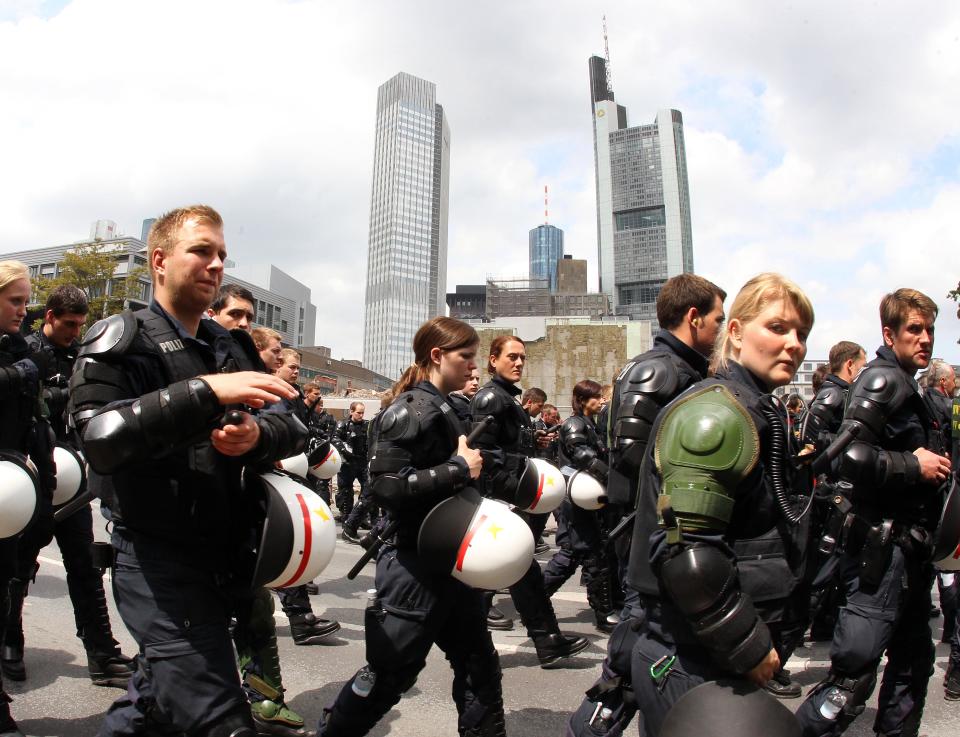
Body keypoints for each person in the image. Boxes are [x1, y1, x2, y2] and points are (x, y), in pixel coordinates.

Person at [69, 205, 307, 737]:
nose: (216, 264)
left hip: (224, 555)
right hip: (155, 561)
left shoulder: (231, 346)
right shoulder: (122, 338)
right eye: (202, 250)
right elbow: (99, 439)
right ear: (159, 259)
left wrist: (255, 436)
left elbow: (293, 425)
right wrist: (204, 392)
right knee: (220, 717)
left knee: (150, 707)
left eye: (222, 254)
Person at [624, 273, 814, 737]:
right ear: (735, 332)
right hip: (693, 653)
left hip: (708, 648)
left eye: (802, 333)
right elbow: (688, 554)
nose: (793, 344)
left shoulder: (753, 406)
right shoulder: (716, 417)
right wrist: (746, 643)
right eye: (777, 327)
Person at [317, 316, 504, 737]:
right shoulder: (406, 412)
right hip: (413, 565)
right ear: (437, 356)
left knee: (480, 668)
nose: (474, 367)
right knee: (389, 676)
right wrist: (457, 468)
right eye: (466, 357)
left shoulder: (450, 408)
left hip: (455, 561)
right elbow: (386, 488)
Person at [567, 274, 726, 735]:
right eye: (718, 319)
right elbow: (635, 456)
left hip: (670, 536)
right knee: (631, 656)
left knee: (656, 661)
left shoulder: (689, 371)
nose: (722, 329)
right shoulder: (656, 369)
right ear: (693, 318)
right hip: (652, 536)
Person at [795, 288, 950, 736]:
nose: (925, 338)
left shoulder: (908, 382)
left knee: (912, 668)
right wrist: (913, 464)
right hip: (881, 553)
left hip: (910, 553)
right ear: (890, 333)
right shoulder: (882, 380)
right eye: (914, 329)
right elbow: (845, 457)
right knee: (852, 677)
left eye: (930, 330)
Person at [2, 285, 133, 689]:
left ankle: (100, 652)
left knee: (84, 565)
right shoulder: (24, 350)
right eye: (69, 324)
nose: (75, 332)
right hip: (28, 476)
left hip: (74, 477)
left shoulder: (83, 357)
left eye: (81, 325)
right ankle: (11, 643)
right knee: (18, 567)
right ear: (51, 319)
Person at [207, 284, 317, 736]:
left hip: (238, 513)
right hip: (188, 521)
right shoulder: (199, 363)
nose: (243, 324)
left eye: (250, 318)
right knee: (189, 634)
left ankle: (263, 701)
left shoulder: (261, 383)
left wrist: (263, 440)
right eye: (235, 315)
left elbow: (288, 430)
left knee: (253, 609)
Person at [471, 336, 588, 668]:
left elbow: (508, 448)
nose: (519, 362)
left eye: (522, 357)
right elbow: (486, 455)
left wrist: (530, 439)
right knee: (508, 569)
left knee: (521, 570)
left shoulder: (508, 399)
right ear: (493, 360)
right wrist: (517, 493)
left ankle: (547, 642)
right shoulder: (491, 398)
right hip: (500, 501)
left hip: (509, 499)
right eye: (512, 356)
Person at [0, 260, 55, 737]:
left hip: (15, 488)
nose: (24, 310)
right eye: (14, 300)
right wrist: (25, 368)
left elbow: (33, 420)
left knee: (7, 584)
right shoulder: (23, 357)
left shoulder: (23, 347)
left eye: (25, 300)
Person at [801, 340, 866, 644]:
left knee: (834, 565)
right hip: (829, 493)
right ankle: (790, 636)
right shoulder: (835, 392)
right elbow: (810, 437)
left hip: (835, 489)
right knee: (822, 566)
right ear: (850, 364)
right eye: (861, 365)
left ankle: (823, 625)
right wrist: (827, 479)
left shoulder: (842, 392)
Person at [542, 379, 618, 633]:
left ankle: (604, 612)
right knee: (572, 556)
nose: (602, 400)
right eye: (596, 397)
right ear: (583, 400)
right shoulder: (575, 423)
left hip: (585, 498)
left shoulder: (590, 424)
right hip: (575, 500)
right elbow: (582, 456)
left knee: (593, 556)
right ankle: (534, 599)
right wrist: (610, 476)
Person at [338, 402, 372, 542]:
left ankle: (360, 519)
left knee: (368, 491)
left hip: (362, 462)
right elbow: (335, 438)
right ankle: (347, 522)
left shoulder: (367, 425)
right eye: (358, 412)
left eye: (363, 413)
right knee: (346, 493)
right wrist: (344, 448)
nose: (361, 415)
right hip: (347, 463)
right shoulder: (343, 425)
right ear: (351, 411)